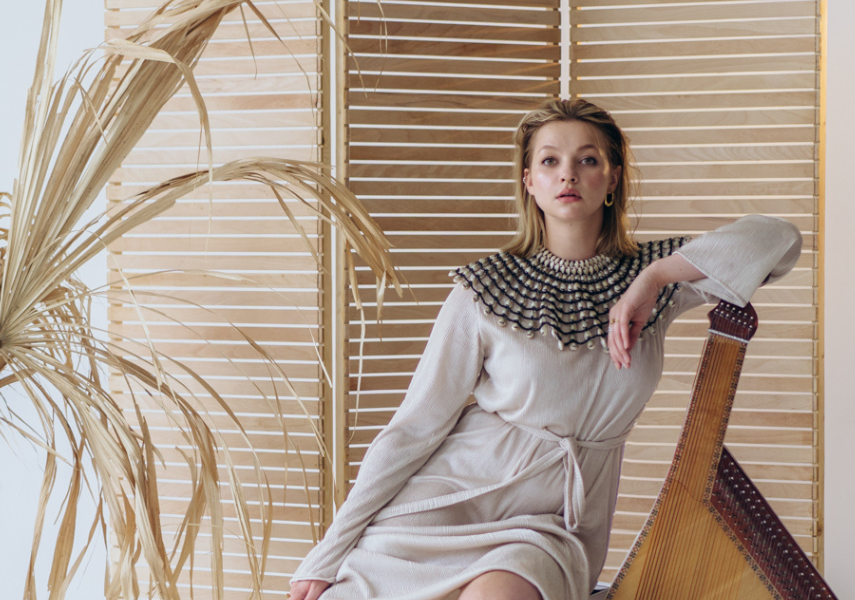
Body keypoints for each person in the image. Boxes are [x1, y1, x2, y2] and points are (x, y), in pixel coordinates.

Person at [285, 98, 803, 600]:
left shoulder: (659, 278)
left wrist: (653, 279)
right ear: (529, 181)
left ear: (613, 177)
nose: (568, 175)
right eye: (550, 161)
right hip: (448, 504)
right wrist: (327, 553)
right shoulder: (484, 289)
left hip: (550, 526)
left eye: (588, 159)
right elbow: (413, 428)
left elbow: (778, 240)